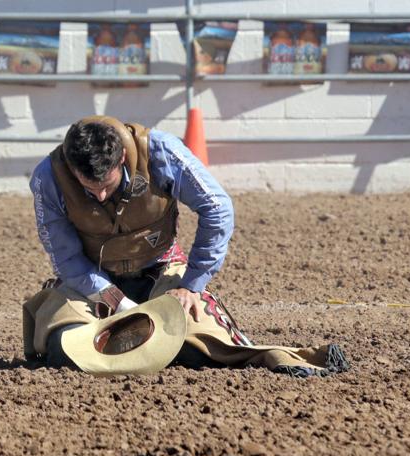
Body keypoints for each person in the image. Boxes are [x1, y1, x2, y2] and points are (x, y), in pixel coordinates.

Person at [23, 115, 348, 376]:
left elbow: (217, 208)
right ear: (71, 168)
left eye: (106, 186)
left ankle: (281, 357)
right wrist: (117, 302)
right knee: (60, 346)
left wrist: (193, 284)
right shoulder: (48, 178)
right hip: (91, 282)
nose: (100, 196)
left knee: (199, 345)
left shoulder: (161, 151)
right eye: (88, 188)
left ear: (121, 157)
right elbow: (66, 259)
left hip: (162, 270)